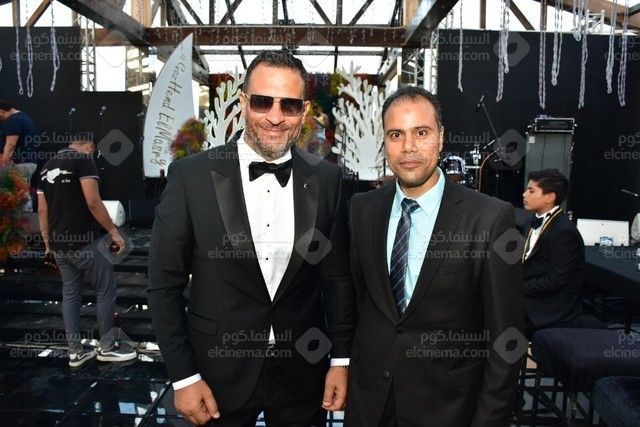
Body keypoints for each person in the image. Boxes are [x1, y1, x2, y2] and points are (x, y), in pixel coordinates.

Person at [147, 50, 355, 426]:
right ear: (243, 102)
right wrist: (184, 377)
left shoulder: (327, 179)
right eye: (262, 101)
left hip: (303, 370)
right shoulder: (191, 177)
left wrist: (341, 360)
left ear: (304, 111)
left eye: (289, 105)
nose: (275, 117)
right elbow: (164, 285)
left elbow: (336, 279)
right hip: (216, 373)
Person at [345, 86, 524, 426]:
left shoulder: (489, 218)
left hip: (447, 407)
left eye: (421, 133)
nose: (408, 147)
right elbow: (361, 304)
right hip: (369, 401)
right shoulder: (361, 209)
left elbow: (506, 338)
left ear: (441, 137)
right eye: (396, 134)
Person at [37, 132, 137, 367]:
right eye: (93, 150)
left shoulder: (46, 167)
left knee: (71, 295)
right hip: (84, 242)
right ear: (89, 146)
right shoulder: (83, 160)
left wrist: (48, 245)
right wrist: (113, 232)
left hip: (59, 245)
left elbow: (42, 210)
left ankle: (75, 352)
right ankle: (107, 347)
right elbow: (93, 201)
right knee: (105, 289)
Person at [521, 169, 585, 336]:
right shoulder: (530, 221)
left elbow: (555, 281)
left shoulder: (564, 232)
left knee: (498, 318)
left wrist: (516, 287)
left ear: (549, 197)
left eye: (531, 191)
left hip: (550, 304)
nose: (524, 194)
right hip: (531, 292)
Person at [0, 99, 38, 211]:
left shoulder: (14, 120)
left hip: (20, 164)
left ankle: (24, 219)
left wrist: (3, 165)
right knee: (22, 193)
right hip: (27, 162)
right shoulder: (23, 118)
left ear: (1, 111)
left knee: (20, 195)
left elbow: (10, 145)